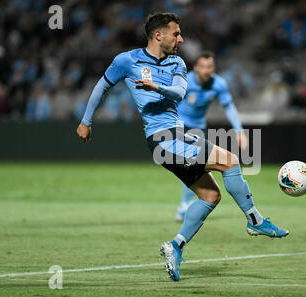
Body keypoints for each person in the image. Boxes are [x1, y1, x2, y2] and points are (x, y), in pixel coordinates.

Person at [76, 12, 289, 282]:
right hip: (162, 140)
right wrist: (86, 121)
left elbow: (178, 93)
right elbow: (101, 87)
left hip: (180, 134)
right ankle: (255, 220)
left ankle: (175, 246)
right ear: (158, 35)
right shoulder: (126, 61)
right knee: (231, 161)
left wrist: (156, 86)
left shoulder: (177, 62)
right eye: (176, 33)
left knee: (211, 196)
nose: (181, 38)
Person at [174, 51, 248, 222]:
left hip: (199, 128)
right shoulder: (184, 80)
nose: (206, 71)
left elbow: (229, 107)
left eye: (210, 67)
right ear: (196, 68)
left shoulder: (219, 84)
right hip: (180, 126)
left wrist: (239, 130)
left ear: (213, 68)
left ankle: (185, 205)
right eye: (203, 67)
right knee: (192, 165)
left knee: (197, 167)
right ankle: (185, 205)